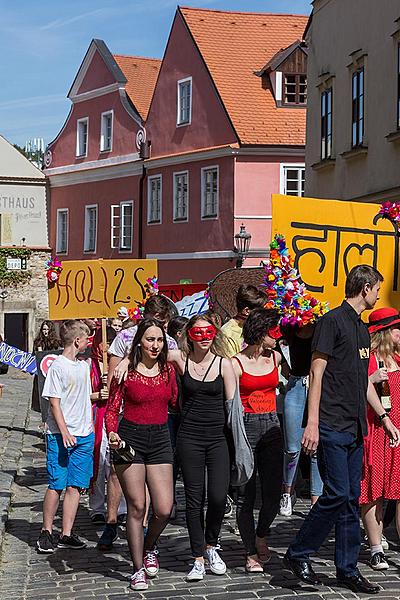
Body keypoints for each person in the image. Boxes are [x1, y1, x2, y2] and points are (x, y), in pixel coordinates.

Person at [284, 265, 400, 595]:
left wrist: (385, 417)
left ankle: (347, 569)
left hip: (355, 425)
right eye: (377, 287)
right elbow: (316, 375)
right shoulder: (331, 322)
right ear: (364, 288)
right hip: (331, 423)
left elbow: (363, 382)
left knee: (350, 499)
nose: (379, 293)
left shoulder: (362, 330)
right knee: (336, 493)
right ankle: (298, 552)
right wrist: (313, 423)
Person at [98, 295, 178, 551]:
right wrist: (125, 361)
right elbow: (115, 379)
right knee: (119, 478)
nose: (160, 336)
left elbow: (176, 375)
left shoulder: (170, 342)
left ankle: (144, 536)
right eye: (159, 324)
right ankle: (112, 522)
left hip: (159, 428)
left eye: (165, 327)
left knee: (155, 500)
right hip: (129, 423)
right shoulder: (124, 339)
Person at [169, 314, 236, 582]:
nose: (204, 337)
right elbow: (149, 349)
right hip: (190, 438)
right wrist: (126, 360)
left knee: (219, 497)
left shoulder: (224, 365)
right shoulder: (180, 359)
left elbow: (233, 409)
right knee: (194, 500)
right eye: (198, 333)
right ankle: (197, 556)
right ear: (189, 336)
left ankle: (211, 545)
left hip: (218, 439)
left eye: (209, 332)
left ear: (215, 334)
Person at [232, 308, 283, 573]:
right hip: (247, 426)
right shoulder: (236, 363)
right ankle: (250, 550)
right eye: (274, 331)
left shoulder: (276, 356)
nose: (278, 336)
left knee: (273, 493)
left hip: (272, 423)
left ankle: (262, 534)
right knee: (246, 495)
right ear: (261, 332)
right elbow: (229, 403)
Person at [36, 320, 94, 553]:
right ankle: (46, 531)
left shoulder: (83, 366)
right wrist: (64, 431)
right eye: (87, 338)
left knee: (76, 485)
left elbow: (83, 396)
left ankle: (67, 533)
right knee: (57, 484)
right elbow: (54, 403)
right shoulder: (58, 367)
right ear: (77, 341)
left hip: (84, 433)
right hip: (61, 434)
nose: (89, 342)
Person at [360, 307, 400, 570]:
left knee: (397, 491)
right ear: (386, 332)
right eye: (398, 328)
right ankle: (375, 548)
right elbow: (356, 386)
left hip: (399, 431)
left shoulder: (399, 357)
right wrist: (370, 378)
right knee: (374, 492)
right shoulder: (370, 359)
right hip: (377, 431)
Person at [280, 324, 323, 516]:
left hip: (318, 386)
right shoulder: (290, 329)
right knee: (292, 448)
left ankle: (316, 499)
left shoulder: (321, 329)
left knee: (315, 448)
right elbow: (274, 344)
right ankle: (287, 492)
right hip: (297, 385)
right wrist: (285, 368)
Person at [166, 315, 189, 519]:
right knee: (171, 457)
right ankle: (169, 498)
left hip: (188, 413)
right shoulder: (173, 355)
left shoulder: (193, 354)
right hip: (172, 412)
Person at [221, 284, 267, 357]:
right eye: (261, 311)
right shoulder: (227, 333)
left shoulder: (258, 327)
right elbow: (230, 364)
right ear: (247, 311)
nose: (264, 314)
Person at [32, 321, 61, 414]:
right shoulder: (38, 342)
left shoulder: (56, 343)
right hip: (41, 374)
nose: (46, 332)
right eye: (44, 329)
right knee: (41, 397)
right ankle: (44, 421)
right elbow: (34, 357)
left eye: (48, 330)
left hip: (52, 374)